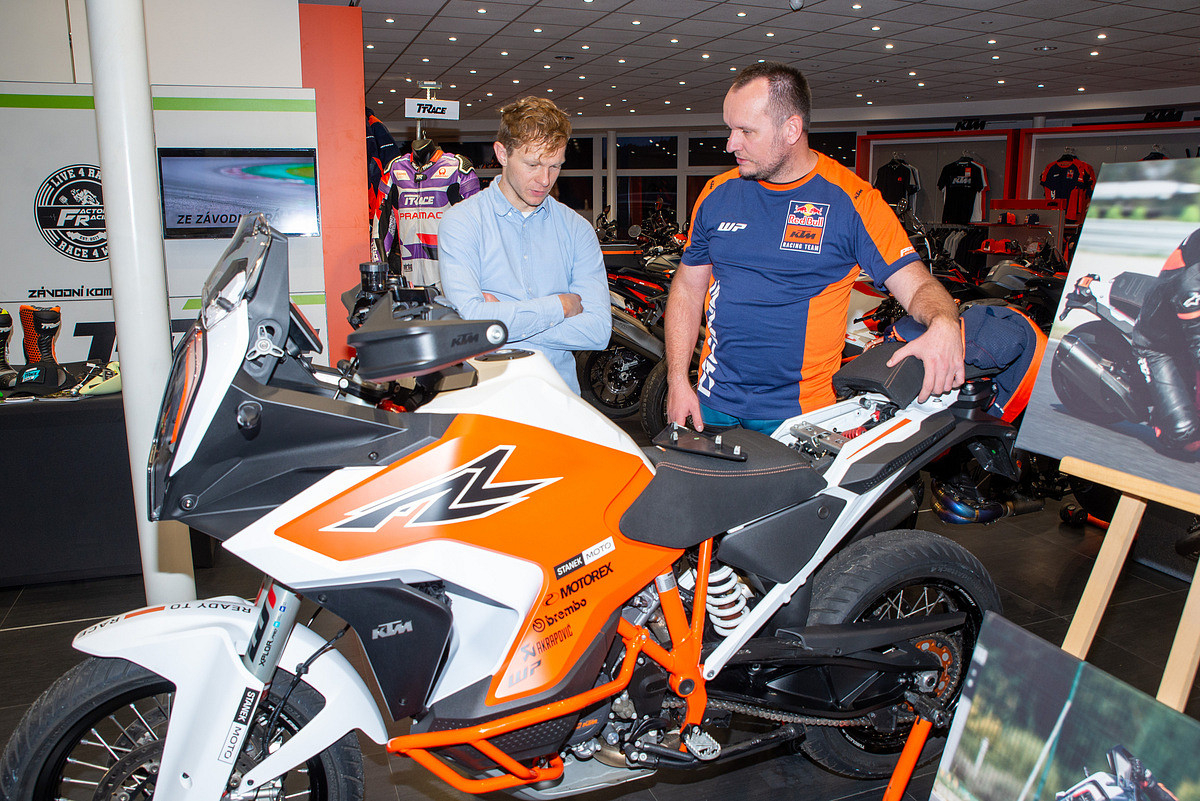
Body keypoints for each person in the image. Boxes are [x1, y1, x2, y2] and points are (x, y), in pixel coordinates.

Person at [665, 63, 964, 433]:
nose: (731, 144)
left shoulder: (853, 202)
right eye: (730, 129)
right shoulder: (716, 194)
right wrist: (677, 379)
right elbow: (688, 287)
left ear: (791, 129)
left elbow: (918, 286)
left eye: (746, 131)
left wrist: (944, 322)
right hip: (712, 402)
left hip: (798, 415)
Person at [439, 96, 610, 393]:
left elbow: (597, 332)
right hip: (486, 400)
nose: (545, 179)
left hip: (558, 399)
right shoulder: (461, 222)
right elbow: (471, 321)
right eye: (533, 164)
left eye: (555, 166)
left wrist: (500, 322)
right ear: (502, 154)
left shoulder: (577, 229)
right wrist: (560, 306)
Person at [1131, 229, 1200, 454]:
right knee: (1188, 437)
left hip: (1183, 333)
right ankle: (1160, 415)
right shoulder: (1192, 288)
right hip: (1158, 346)